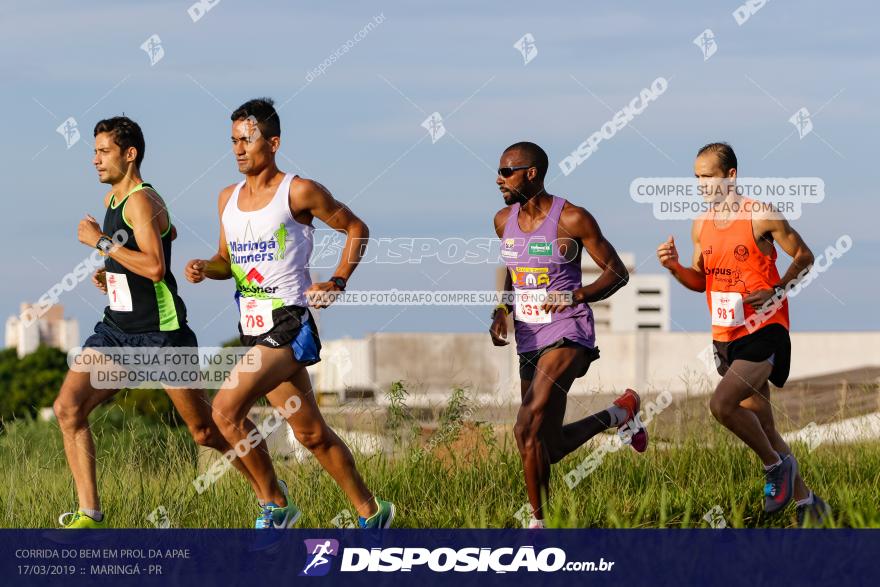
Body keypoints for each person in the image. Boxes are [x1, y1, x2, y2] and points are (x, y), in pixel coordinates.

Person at [185, 98, 394, 529]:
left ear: (273, 142)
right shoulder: (227, 198)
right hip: (252, 325)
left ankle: (276, 506)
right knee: (311, 434)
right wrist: (208, 268)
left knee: (224, 410)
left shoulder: (298, 191)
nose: (239, 149)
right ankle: (373, 513)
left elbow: (357, 228)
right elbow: (227, 260)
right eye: (233, 141)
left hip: (289, 323)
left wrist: (337, 280)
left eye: (247, 139)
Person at [55, 116, 258, 528]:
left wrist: (101, 243)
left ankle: (269, 495)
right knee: (67, 408)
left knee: (205, 432)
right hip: (116, 331)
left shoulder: (141, 200)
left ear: (129, 155)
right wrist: (111, 269)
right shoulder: (117, 200)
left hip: (162, 335)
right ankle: (89, 515)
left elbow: (152, 266)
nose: (94, 160)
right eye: (94, 151)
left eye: (103, 151)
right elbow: (168, 234)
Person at [656, 142, 830, 526]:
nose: (701, 184)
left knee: (721, 405)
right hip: (726, 334)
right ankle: (809, 506)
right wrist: (673, 267)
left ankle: (774, 468)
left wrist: (778, 289)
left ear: (730, 175)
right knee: (764, 426)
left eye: (708, 176)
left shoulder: (761, 215)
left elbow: (804, 256)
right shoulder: (700, 225)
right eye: (696, 177)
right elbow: (700, 280)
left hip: (765, 329)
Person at [490, 141, 647, 529]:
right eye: (498, 171)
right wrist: (503, 309)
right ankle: (618, 413)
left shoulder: (572, 218)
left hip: (568, 330)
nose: (499, 179)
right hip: (529, 336)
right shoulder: (501, 221)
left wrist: (577, 294)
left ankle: (538, 525)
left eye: (507, 171)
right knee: (547, 444)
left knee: (525, 427)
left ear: (532, 173)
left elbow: (616, 272)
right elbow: (514, 268)